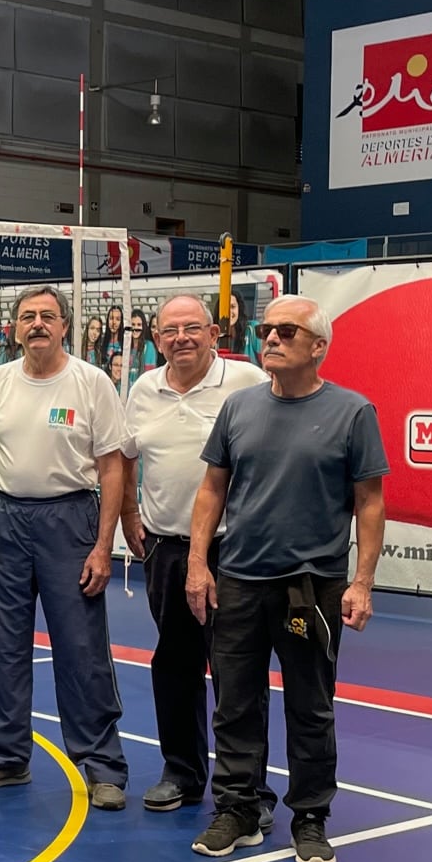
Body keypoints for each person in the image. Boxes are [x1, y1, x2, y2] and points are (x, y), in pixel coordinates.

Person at [186, 295, 388, 862]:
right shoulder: (239, 408)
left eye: (285, 331)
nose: (270, 339)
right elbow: (211, 490)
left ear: (317, 346)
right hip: (240, 580)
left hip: (312, 586)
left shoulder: (353, 412)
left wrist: (363, 582)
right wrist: (199, 563)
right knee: (234, 702)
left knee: (310, 706)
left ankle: (309, 817)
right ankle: (239, 809)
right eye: (265, 329)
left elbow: (369, 503)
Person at [0, 287, 128, 804]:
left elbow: (112, 466)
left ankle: (102, 766)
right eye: (28, 316)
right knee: (5, 648)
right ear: (15, 328)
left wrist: (104, 545)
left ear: (64, 327)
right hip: (6, 522)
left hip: (70, 521)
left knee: (80, 648)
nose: (37, 324)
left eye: (47, 317)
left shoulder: (91, 382)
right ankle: (5, 757)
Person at [118, 295, 271, 820]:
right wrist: (129, 519)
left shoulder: (247, 380)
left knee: (237, 671)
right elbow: (127, 458)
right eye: (169, 330)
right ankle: (181, 773)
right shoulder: (143, 388)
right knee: (174, 664)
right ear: (156, 338)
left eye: (191, 328)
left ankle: (250, 791)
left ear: (213, 333)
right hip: (164, 547)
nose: (180, 338)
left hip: (234, 551)